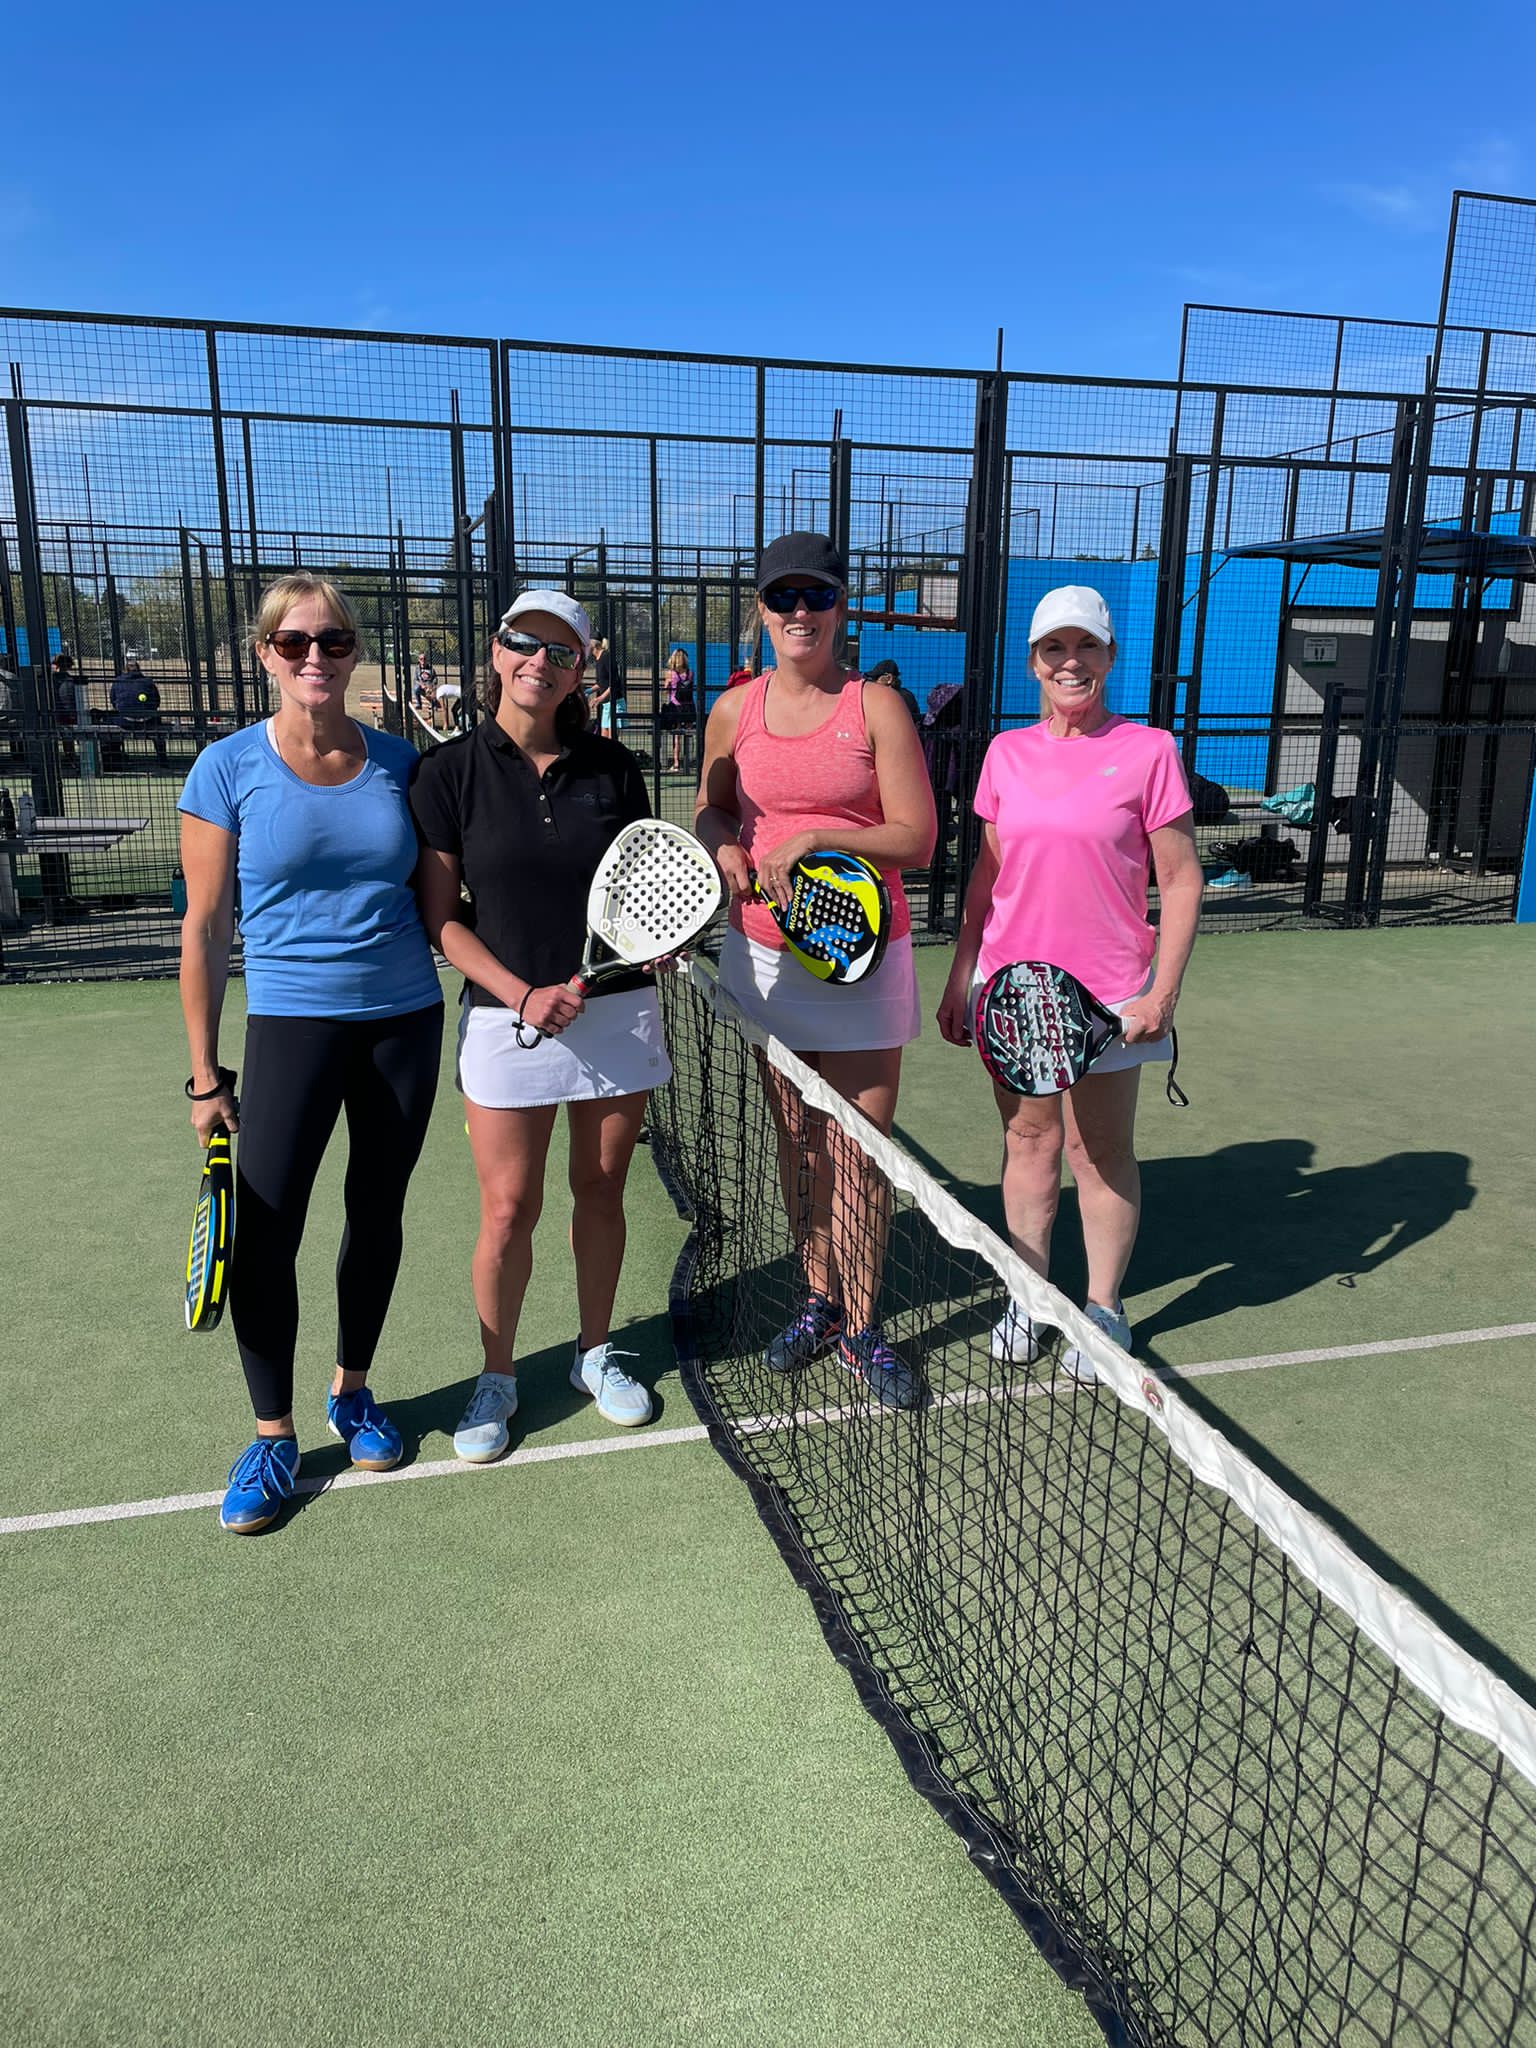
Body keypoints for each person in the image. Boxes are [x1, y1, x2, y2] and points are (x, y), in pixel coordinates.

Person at [177, 573, 444, 1533]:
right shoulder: (226, 769)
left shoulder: (403, 765)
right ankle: (273, 1435)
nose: (315, 658)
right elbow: (206, 929)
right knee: (267, 1231)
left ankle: (352, 1392)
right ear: (265, 655)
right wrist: (205, 1077)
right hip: (289, 1025)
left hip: (404, 1021)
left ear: (355, 651)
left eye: (332, 641)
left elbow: (443, 901)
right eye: (293, 643)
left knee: (376, 1213)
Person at [411, 590, 664, 1464]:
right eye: (526, 643)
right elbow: (442, 919)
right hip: (505, 1020)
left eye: (562, 652)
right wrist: (521, 996)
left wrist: (658, 941)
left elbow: (645, 883)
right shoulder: (446, 774)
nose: (540, 662)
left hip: (617, 1011)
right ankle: (498, 1376)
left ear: (580, 670)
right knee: (509, 1208)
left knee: (601, 1189)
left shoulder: (613, 768)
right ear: (496, 651)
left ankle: (595, 1353)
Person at [694, 533, 937, 1409]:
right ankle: (820, 1301)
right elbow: (713, 809)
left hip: (862, 960)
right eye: (783, 597)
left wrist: (821, 836)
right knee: (797, 1141)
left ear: (841, 607)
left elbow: (917, 838)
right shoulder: (734, 710)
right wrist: (724, 846)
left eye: (817, 596)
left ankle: (863, 1328)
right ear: (761, 609)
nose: (800, 612)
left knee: (857, 1150)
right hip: (766, 956)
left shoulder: (877, 708)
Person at [936, 586, 1204, 1378]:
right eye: (1055, 648)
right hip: (1011, 991)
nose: (1071, 662)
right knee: (1028, 1140)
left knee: (1099, 1151)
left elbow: (1180, 880)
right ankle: (1028, 1297)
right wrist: (960, 977)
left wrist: (1162, 994)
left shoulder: (1149, 751)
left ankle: (1103, 1308)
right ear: (1034, 663)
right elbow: (987, 879)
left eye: (1086, 646)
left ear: (1109, 657)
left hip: (1112, 998)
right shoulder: (1006, 754)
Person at [109, 657, 168, 766]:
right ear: (139, 669)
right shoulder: (148, 681)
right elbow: (157, 701)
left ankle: (115, 757)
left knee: (110, 720)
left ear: (125, 669)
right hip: (148, 721)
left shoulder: (118, 681)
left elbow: (113, 701)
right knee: (157, 724)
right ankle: (162, 759)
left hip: (125, 721)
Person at [659, 647, 695, 772]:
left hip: (676, 707)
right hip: (689, 707)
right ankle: (688, 761)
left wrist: (668, 685)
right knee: (689, 733)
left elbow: (666, 690)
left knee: (677, 736)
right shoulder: (690, 673)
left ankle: (676, 763)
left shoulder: (670, 673)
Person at [865, 658, 922, 728]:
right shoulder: (906, 695)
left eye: (876, 678)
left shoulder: (896, 698)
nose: (874, 682)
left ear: (889, 678)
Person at [52, 653, 79, 768]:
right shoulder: (71, 680)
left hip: (56, 714)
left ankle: (67, 757)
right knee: (68, 735)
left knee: (65, 734)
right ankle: (70, 757)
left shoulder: (51, 680)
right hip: (69, 714)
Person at [589, 635, 616, 735]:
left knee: (612, 738)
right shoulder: (598, 659)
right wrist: (588, 691)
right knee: (604, 737)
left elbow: (614, 682)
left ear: (593, 645)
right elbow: (601, 683)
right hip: (606, 704)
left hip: (614, 703)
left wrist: (600, 698)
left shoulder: (606, 657)